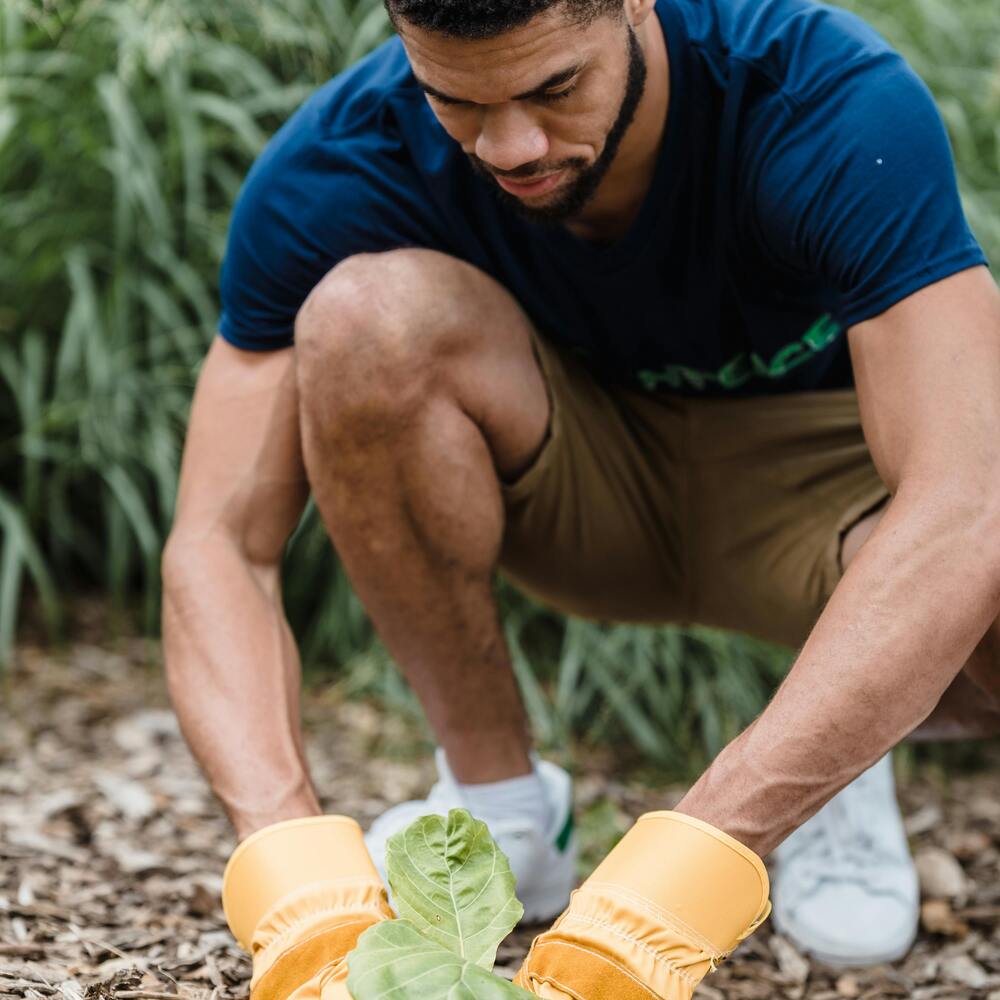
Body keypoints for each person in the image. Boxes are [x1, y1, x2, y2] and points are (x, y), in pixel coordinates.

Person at [161, 0, 1000, 995]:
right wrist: (288, 874)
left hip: (836, 500)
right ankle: (499, 807)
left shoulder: (819, 98)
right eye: (456, 100)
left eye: (554, 87)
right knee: (360, 321)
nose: (510, 145)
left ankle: (830, 765)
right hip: (580, 480)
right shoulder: (345, 159)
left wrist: (671, 886)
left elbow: (965, 502)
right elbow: (217, 540)